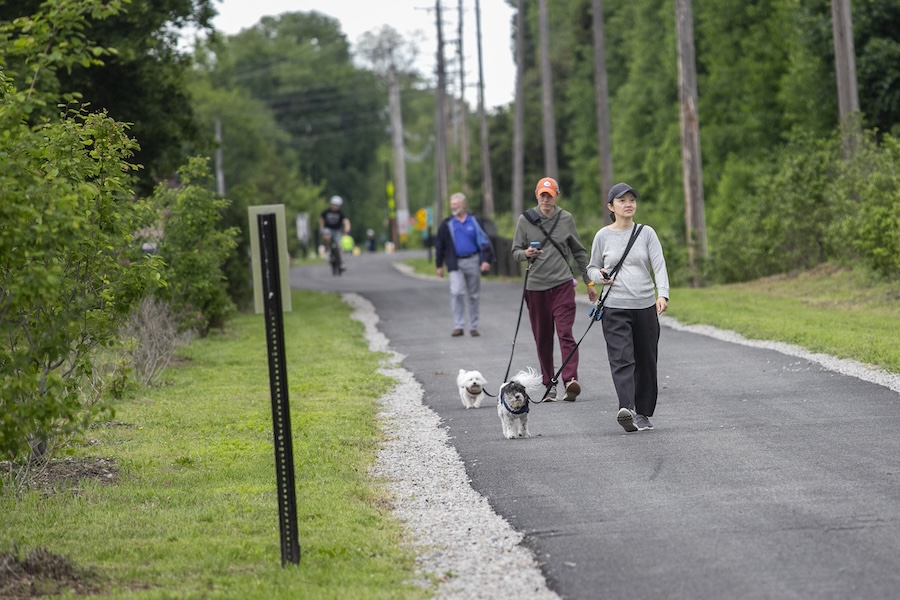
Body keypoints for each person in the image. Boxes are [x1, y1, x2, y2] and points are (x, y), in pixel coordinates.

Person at [587, 183, 669, 432]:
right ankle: (627, 409)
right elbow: (591, 268)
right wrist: (599, 277)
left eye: (632, 199)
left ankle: (643, 413)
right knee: (622, 359)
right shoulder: (602, 236)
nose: (629, 204)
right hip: (614, 307)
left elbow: (659, 265)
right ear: (611, 207)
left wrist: (663, 294)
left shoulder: (646, 233)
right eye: (622, 201)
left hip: (645, 306)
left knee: (646, 361)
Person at [512, 177, 598, 402]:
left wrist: (589, 283)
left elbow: (579, 252)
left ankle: (570, 380)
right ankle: (549, 384)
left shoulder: (565, 218)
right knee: (543, 338)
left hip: (562, 285)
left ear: (557, 196)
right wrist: (526, 254)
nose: (546, 199)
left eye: (550, 195)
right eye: (542, 195)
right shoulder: (525, 220)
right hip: (535, 288)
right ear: (536, 195)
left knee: (565, 333)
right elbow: (515, 252)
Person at [435, 192, 495, 337]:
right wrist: (439, 265)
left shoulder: (474, 221)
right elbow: (440, 245)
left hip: (473, 260)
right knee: (456, 292)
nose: (453, 207)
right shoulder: (447, 224)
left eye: (456, 205)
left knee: (473, 295)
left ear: (464, 205)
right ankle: (458, 325)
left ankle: (473, 326)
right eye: (451, 205)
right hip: (455, 262)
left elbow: (484, 240)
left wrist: (485, 260)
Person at [319, 195, 351, 272]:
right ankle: (326, 251)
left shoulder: (341, 214)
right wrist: (322, 228)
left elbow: (346, 222)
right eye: (334, 205)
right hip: (328, 229)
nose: (335, 207)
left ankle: (342, 263)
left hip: (337, 230)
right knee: (326, 237)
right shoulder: (327, 212)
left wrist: (346, 230)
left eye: (336, 205)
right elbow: (321, 218)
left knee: (339, 245)